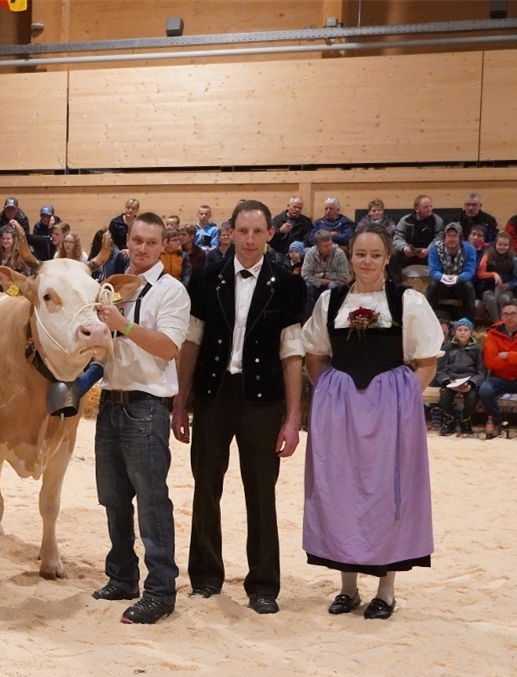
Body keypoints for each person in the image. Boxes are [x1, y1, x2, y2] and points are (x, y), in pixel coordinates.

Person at [171, 199, 305, 615]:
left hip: (263, 401)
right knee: (206, 487)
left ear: (269, 234)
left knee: (261, 493)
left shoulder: (288, 284)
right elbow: (191, 342)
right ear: (229, 232)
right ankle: (206, 577)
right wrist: (179, 401)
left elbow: (292, 353)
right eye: (241, 231)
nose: (248, 239)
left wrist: (294, 416)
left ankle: (263, 585)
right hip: (212, 397)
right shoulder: (206, 278)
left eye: (257, 232)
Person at [301, 224, 439, 619]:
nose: (367, 262)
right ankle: (347, 588)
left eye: (375, 255)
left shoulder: (407, 302)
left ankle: (386, 590)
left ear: (387, 258)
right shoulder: (330, 301)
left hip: (391, 409)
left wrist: (403, 399)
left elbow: (426, 360)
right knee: (339, 489)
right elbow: (314, 352)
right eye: (360, 254)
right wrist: (328, 390)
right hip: (340, 410)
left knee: (388, 491)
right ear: (350, 255)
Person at [90, 212, 191, 624]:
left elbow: (168, 348)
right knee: (112, 499)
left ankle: (161, 590)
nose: (143, 248)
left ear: (163, 245)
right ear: (127, 242)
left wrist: (124, 325)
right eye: (137, 241)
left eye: (152, 242)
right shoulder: (108, 287)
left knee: (151, 501)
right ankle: (122, 576)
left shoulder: (172, 292)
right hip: (109, 399)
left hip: (146, 406)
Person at [478, 300, 517, 443]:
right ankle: (497, 422)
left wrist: (508, 355)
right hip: (499, 377)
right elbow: (490, 361)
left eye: (513, 313)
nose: (509, 317)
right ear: (501, 316)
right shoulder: (493, 333)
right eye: (506, 314)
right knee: (485, 389)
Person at [435, 318, 485, 437]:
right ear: (455, 332)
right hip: (451, 380)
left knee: (472, 396)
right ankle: (450, 420)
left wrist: (472, 383)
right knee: (445, 395)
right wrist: (447, 381)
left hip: (468, 380)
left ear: (471, 332)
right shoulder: (447, 347)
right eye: (459, 329)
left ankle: (465, 420)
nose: (462, 332)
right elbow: (440, 370)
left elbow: (481, 372)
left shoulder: (477, 349)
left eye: (466, 330)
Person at [426, 222, 477, 321]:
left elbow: (469, 271)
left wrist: (457, 278)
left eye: (455, 236)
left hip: (459, 283)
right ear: (444, 237)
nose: (451, 239)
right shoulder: (434, 249)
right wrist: (444, 278)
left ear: (460, 238)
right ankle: (429, 320)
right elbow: (433, 271)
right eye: (449, 235)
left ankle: (469, 321)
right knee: (432, 285)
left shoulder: (470, 249)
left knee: (468, 286)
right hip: (441, 283)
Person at [393, 195, 444, 284]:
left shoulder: (437, 221)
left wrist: (429, 250)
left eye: (431, 206)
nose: (429, 209)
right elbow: (397, 238)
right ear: (417, 209)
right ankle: (396, 284)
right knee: (393, 254)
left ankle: (436, 284)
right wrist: (404, 248)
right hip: (408, 254)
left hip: (428, 254)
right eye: (426, 207)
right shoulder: (405, 221)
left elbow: (440, 238)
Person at [301, 230, 350, 319]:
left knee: (333, 285)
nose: (329, 247)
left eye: (330, 244)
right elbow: (305, 275)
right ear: (317, 246)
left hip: (334, 285)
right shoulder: (310, 253)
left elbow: (344, 276)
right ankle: (308, 320)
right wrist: (322, 281)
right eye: (326, 246)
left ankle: (331, 319)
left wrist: (322, 275)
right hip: (316, 286)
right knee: (306, 287)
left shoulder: (339, 253)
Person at [477, 231, 517, 323]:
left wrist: (508, 285)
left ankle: (507, 324)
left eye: (505, 245)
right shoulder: (487, 255)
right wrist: (493, 274)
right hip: (488, 288)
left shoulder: (514, 258)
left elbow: (516, 279)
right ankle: (498, 325)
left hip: (506, 289)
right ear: (495, 244)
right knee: (491, 299)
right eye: (500, 244)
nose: (502, 247)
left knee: (503, 299)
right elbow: (480, 273)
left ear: (509, 246)